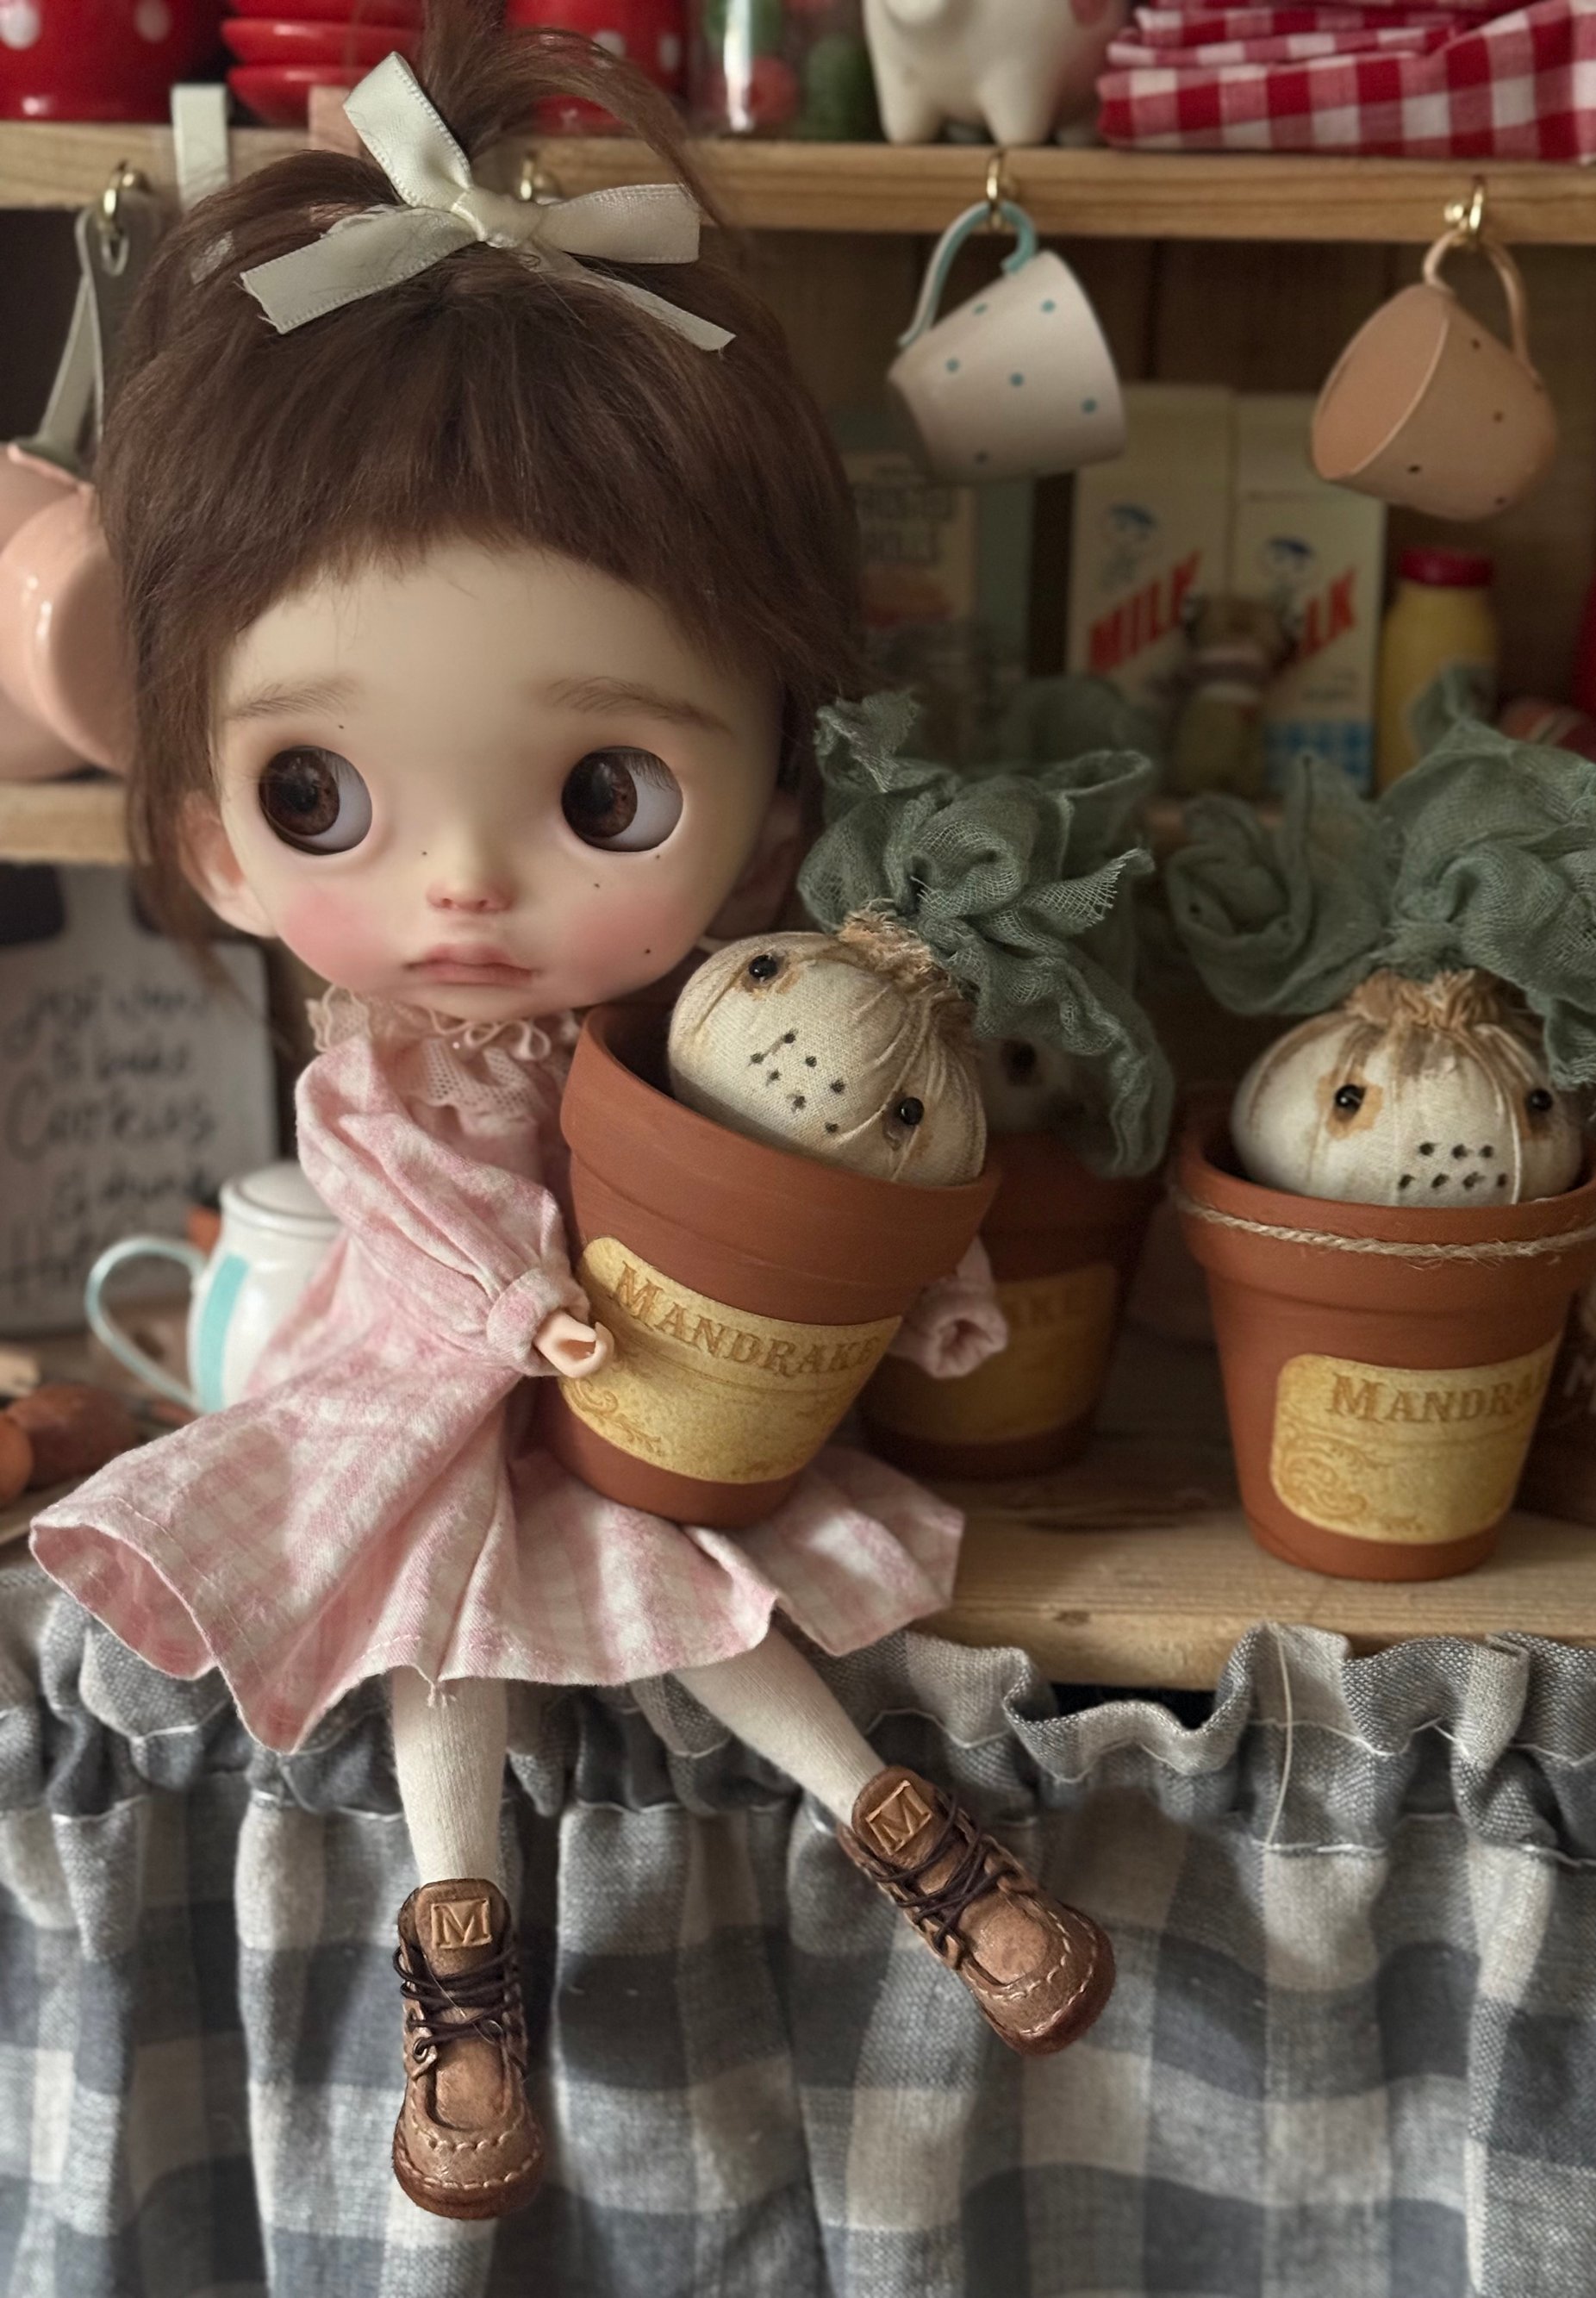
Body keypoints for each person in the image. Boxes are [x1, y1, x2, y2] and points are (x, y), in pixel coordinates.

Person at [30, 3, 1113, 2226]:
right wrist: (518, 1307)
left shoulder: (727, 1026)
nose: (458, 888)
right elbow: (412, 1202)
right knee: (443, 1621)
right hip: (423, 1397)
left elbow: (843, 1163)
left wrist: (928, 1290)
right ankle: (465, 1962)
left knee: (704, 1583)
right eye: (316, 792)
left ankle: (905, 1832)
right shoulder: (383, 1071)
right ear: (208, 824)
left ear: (776, 796)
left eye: (605, 794)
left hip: (644, 1394)